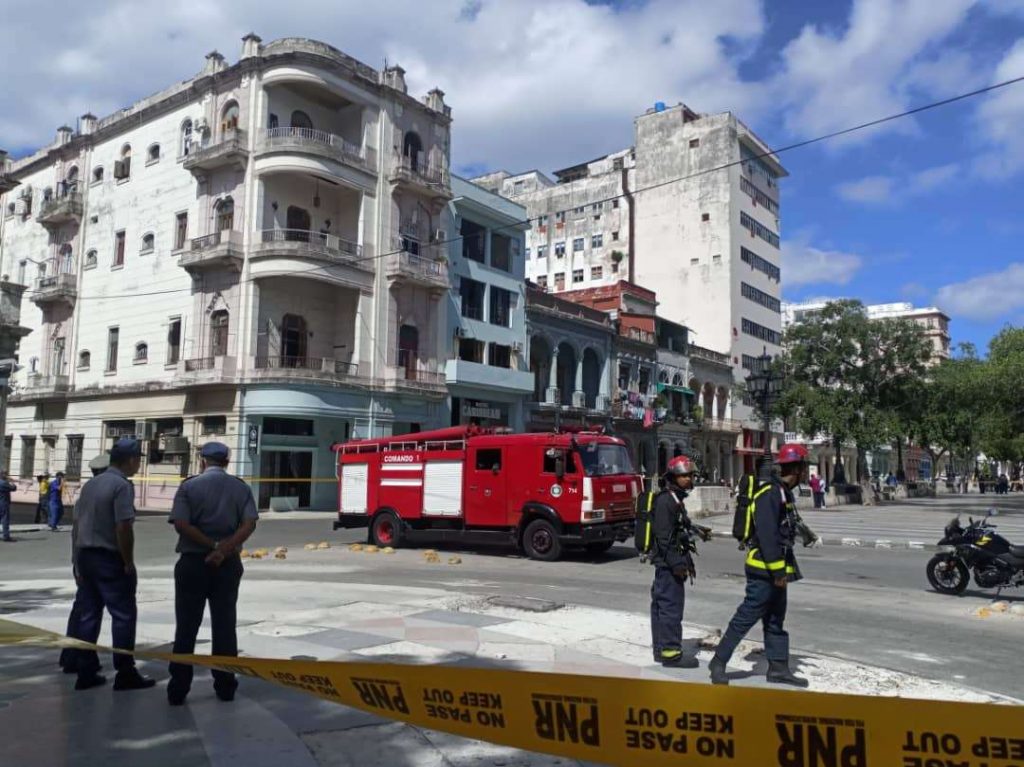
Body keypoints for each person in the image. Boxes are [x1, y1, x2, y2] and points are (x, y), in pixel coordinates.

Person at [709, 443, 810, 688]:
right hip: (763, 569)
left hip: (777, 570)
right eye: (805, 468)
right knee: (746, 617)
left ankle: (778, 669)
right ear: (796, 468)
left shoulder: (784, 492)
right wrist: (777, 572)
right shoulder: (769, 494)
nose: (806, 473)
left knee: (776, 620)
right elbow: (767, 535)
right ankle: (718, 661)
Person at [167, 441, 258, 705]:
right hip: (227, 565)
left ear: (203, 461)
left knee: (186, 627)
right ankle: (225, 685)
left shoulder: (189, 486)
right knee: (225, 626)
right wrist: (224, 549)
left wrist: (212, 546)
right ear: (227, 462)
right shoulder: (240, 487)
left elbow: (182, 524)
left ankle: (178, 687)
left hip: (193, 563)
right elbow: (249, 523)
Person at [66, 438, 154, 692]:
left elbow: (77, 525)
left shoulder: (91, 485)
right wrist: (128, 562)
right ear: (131, 460)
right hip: (109, 559)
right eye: (138, 460)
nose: (138, 465)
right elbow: (123, 526)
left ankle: (86, 670)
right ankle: (125, 672)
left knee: (89, 614)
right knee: (123, 615)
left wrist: (76, 561)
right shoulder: (121, 486)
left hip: (86, 556)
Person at [649, 455, 704, 669]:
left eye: (691, 475)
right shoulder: (666, 501)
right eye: (684, 475)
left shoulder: (675, 499)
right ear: (673, 477)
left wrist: (697, 531)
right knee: (670, 609)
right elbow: (663, 538)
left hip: (669, 564)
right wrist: (678, 565)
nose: (689, 479)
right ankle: (671, 654)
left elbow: (680, 528)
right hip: (667, 566)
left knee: (662, 608)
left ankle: (661, 650)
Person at [60, 453, 111, 674]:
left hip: (82, 560)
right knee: (89, 612)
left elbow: (76, 534)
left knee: (82, 610)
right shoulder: (98, 496)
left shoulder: (86, 495)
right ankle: (80, 658)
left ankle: (71, 656)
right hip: (93, 561)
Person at [0, 469, 17, 542]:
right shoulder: (4, 483)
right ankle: (6, 536)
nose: (7, 475)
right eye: (6, 474)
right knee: (5, 519)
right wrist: (12, 482)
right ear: (2, 474)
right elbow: (13, 488)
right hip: (3, 503)